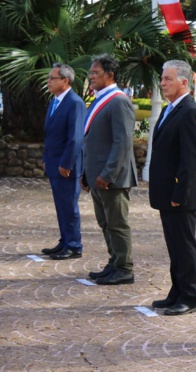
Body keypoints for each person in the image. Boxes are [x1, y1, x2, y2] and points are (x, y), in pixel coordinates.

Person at [149, 60, 196, 316]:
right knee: (174, 246)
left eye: (168, 79)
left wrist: (179, 193)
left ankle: (189, 297)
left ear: (184, 82)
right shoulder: (169, 109)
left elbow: (190, 159)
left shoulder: (190, 111)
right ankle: (176, 291)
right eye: (162, 79)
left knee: (185, 246)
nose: (162, 83)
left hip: (179, 194)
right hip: (167, 193)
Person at [82, 54, 138, 285]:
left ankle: (124, 268)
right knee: (105, 223)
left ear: (110, 75)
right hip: (97, 175)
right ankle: (115, 261)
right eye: (91, 72)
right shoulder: (100, 99)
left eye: (96, 73)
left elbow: (122, 141)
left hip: (112, 177)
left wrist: (108, 174)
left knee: (117, 223)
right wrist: (87, 173)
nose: (91, 76)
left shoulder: (119, 101)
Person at [40, 63, 86, 260]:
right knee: (61, 205)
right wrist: (45, 158)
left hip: (67, 166)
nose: (48, 81)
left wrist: (66, 163)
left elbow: (75, 137)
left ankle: (74, 244)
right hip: (53, 161)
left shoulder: (75, 103)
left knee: (69, 205)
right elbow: (50, 134)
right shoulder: (54, 101)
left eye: (52, 78)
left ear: (65, 81)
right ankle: (65, 240)